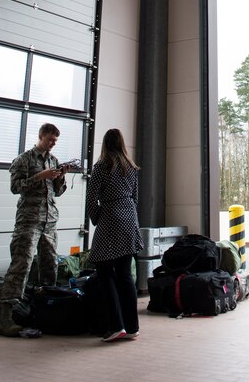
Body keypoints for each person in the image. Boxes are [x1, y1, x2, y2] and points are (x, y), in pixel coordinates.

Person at [0, 122, 69, 337]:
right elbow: (15, 187)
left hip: (49, 221)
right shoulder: (25, 159)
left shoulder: (53, 160)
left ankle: (46, 311)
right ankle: (6, 319)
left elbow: (58, 192)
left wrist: (61, 175)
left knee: (50, 266)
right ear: (41, 136)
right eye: (50, 140)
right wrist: (40, 176)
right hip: (29, 221)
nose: (53, 144)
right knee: (21, 266)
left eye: (55, 141)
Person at [86, 128, 144, 342]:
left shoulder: (101, 167)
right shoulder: (131, 167)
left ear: (104, 144)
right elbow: (135, 197)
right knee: (125, 273)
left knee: (103, 270)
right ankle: (132, 327)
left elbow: (91, 199)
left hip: (110, 216)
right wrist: (128, 212)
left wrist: (97, 218)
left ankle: (115, 325)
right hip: (130, 217)